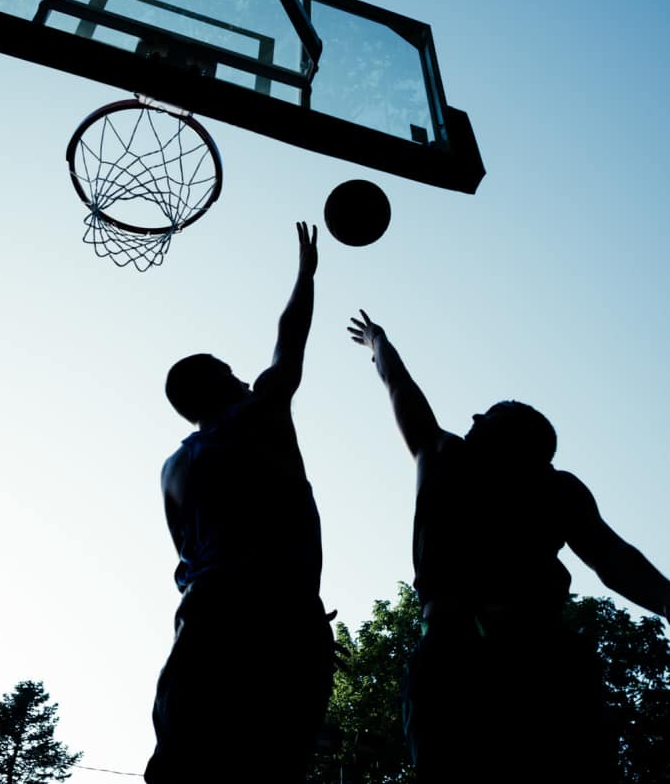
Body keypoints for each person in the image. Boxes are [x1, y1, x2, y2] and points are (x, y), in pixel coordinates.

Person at [347, 309, 670, 784]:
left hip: (490, 657)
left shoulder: (450, 459)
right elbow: (611, 557)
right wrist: (378, 342)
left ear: (519, 441)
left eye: (491, 414)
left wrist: (380, 342)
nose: (475, 416)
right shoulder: (539, 484)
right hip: (518, 657)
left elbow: (610, 556)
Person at [144, 223, 334, 784]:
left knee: (185, 763)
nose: (248, 379)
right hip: (277, 613)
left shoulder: (172, 470)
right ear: (225, 383)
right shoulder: (259, 415)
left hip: (208, 614)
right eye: (234, 374)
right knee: (274, 765)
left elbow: (197, 556)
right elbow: (290, 338)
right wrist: (306, 275)